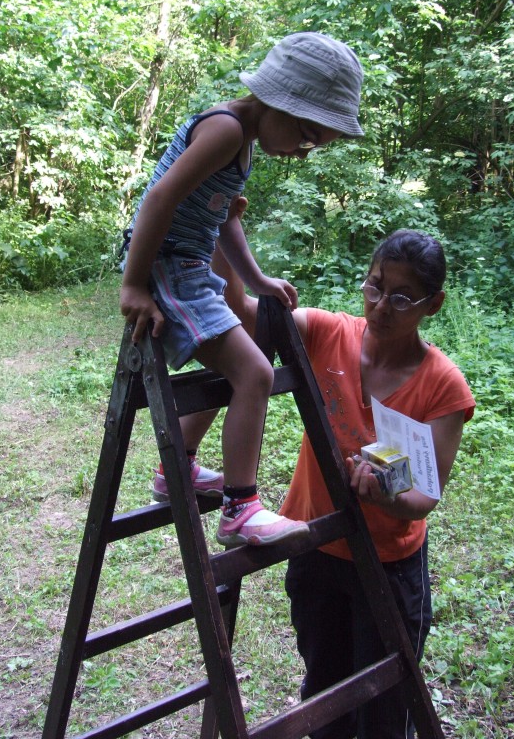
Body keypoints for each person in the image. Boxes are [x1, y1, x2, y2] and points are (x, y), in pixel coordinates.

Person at [182, 227, 476, 738]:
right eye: (375, 286)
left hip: (389, 567)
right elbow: (242, 315)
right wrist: (220, 229)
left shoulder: (443, 385)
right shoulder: (326, 332)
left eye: (402, 297)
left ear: (433, 304)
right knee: (325, 695)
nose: (380, 306)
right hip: (314, 549)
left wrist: (386, 493)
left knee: (386, 711)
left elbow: (422, 497)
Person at [118, 32, 364, 547]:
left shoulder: (241, 141)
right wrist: (135, 284)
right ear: (279, 101)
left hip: (188, 264)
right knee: (254, 373)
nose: (302, 153)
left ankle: (177, 468)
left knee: (239, 357)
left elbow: (223, 218)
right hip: (167, 265)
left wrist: (255, 280)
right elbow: (159, 199)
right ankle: (240, 509)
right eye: (307, 137)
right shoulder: (226, 130)